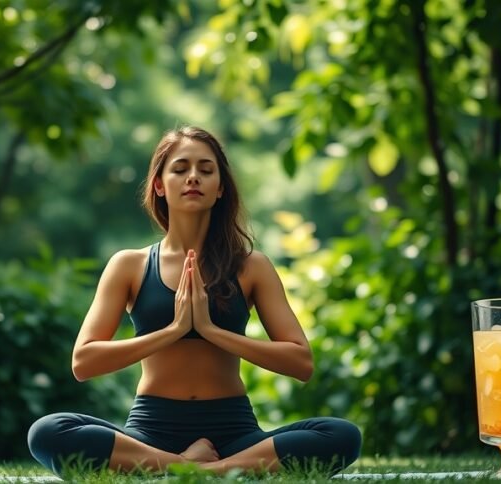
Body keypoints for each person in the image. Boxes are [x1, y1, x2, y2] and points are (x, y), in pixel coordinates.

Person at [27, 126, 361, 476]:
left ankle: (202, 469)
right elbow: (84, 362)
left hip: (234, 432)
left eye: (206, 169)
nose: (193, 177)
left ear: (220, 188)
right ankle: (197, 467)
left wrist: (210, 330)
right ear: (159, 185)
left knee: (341, 435)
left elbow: (301, 362)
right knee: (48, 431)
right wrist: (173, 330)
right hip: (150, 432)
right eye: (180, 168)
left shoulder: (251, 267)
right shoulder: (129, 265)